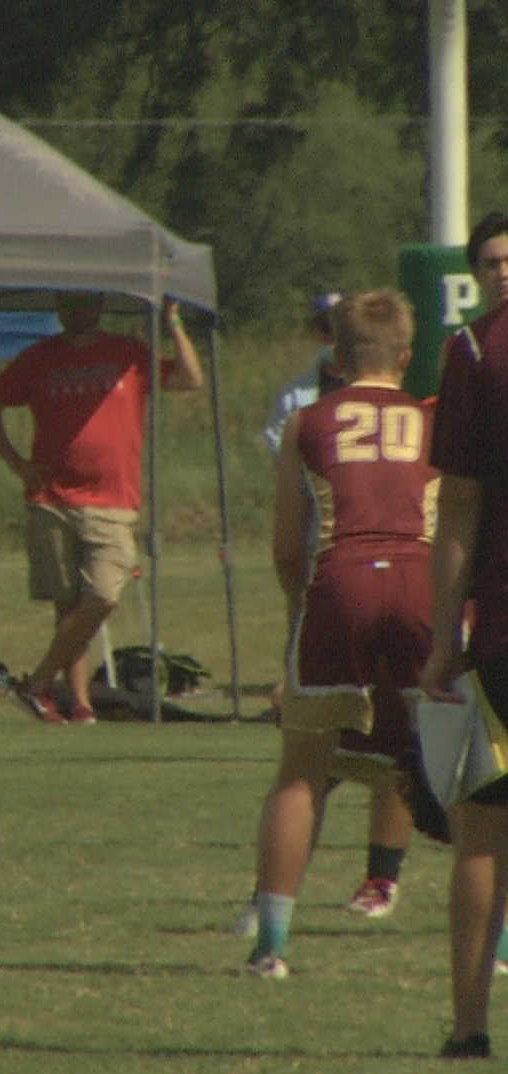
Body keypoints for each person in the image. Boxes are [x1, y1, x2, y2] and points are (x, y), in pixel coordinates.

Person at [238, 290, 436, 979]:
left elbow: (289, 548)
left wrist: (302, 611)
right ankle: (498, 945)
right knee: (473, 774)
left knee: (300, 772)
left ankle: (272, 945)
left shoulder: (305, 422)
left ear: (337, 355)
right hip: (419, 582)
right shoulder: (437, 418)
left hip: (339, 579)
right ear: (407, 357)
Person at [0, 291, 203, 723]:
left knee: (100, 597)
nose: (74, 312)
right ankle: (78, 705)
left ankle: (37, 683)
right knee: (68, 607)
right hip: (52, 499)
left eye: (82, 304)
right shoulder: (38, 358)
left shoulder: (128, 353)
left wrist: (173, 324)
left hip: (113, 500)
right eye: (67, 305)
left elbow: (189, 379)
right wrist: (17, 464)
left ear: (99, 306)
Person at [420, 209, 508, 1060]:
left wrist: (444, 635)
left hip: (504, 628)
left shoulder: (477, 352)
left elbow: (462, 502)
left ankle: (471, 1024)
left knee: (484, 829)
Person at [260, 292, 347, 455]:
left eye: (342, 328)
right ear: (317, 333)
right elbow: (276, 444)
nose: (334, 336)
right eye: (327, 327)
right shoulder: (291, 397)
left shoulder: (375, 392)